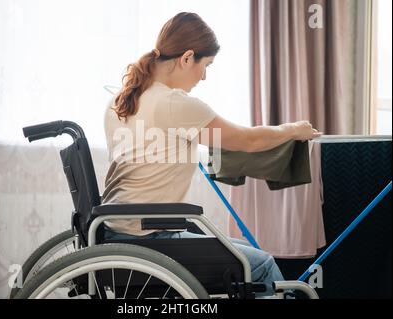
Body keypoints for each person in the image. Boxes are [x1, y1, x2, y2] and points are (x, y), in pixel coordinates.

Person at [102, 12, 322, 297]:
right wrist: (293, 130)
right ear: (186, 58)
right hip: (151, 237)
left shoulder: (119, 101)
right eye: (205, 65)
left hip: (116, 231)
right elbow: (246, 140)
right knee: (261, 264)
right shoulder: (173, 103)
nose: (204, 76)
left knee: (245, 253)